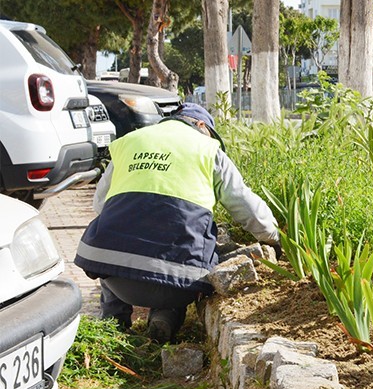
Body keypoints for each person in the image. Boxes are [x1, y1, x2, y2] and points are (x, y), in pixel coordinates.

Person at [74, 103, 279, 343]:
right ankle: (165, 317)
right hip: (176, 288)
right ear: (201, 125)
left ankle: (112, 324)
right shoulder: (208, 149)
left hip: (118, 280)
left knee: (113, 237)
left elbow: (100, 204)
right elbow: (243, 202)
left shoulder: (131, 141)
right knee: (184, 254)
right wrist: (272, 237)